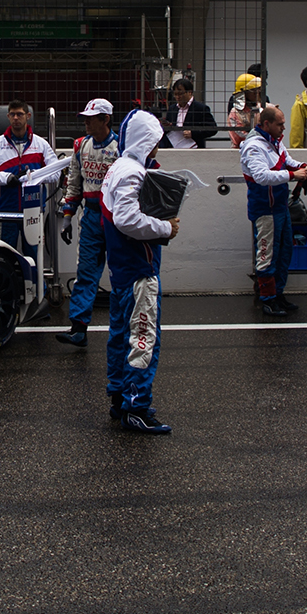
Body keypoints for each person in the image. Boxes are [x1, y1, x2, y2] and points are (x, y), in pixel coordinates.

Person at [100, 109, 177, 434]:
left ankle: (120, 397)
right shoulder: (133, 172)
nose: (158, 145)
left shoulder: (119, 167)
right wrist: (166, 227)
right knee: (143, 339)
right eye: (156, 139)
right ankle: (136, 407)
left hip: (122, 272)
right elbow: (127, 219)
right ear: (147, 140)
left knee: (120, 336)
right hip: (138, 271)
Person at [240, 104, 307, 317]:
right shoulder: (253, 146)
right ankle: (267, 299)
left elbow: (287, 161)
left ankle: (278, 294)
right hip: (265, 209)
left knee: (284, 253)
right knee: (267, 255)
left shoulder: (275, 141)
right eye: (280, 124)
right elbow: (261, 177)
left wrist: (303, 167)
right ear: (266, 124)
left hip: (281, 208)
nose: (284, 128)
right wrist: (293, 175)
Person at [55, 98, 117, 348]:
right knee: (85, 272)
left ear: (106, 119)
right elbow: (74, 183)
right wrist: (67, 217)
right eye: (85, 118)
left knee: (120, 273)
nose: (86, 123)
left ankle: (124, 326)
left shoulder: (121, 146)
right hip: (90, 216)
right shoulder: (80, 145)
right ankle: (78, 329)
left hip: (116, 218)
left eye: (92, 119)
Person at [0, 100, 54, 258]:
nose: (16, 118)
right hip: (6, 211)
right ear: (8, 116)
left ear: (28, 116)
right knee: (4, 257)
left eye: (20, 114)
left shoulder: (41, 144)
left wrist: (34, 175)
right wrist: (8, 178)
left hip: (33, 211)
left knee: (34, 258)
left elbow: (56, 173)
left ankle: (33, 276)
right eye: (12, 114)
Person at [162, 76, 218, 150]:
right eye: (175, 94)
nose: (178, 97)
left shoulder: (200, 108)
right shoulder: (172, 109)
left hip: (194, 148)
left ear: (189, 92)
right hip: (175, 147)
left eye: (180, 94)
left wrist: (193, 133)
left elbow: (213, 129)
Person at [224, 74, 262, 148]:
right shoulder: (235, 113)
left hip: (262, 148)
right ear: (243, 93)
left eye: (258, 89)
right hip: (240, 150)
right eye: (253, 90)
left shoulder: (263, 108)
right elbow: (238, 135)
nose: (256, 93)